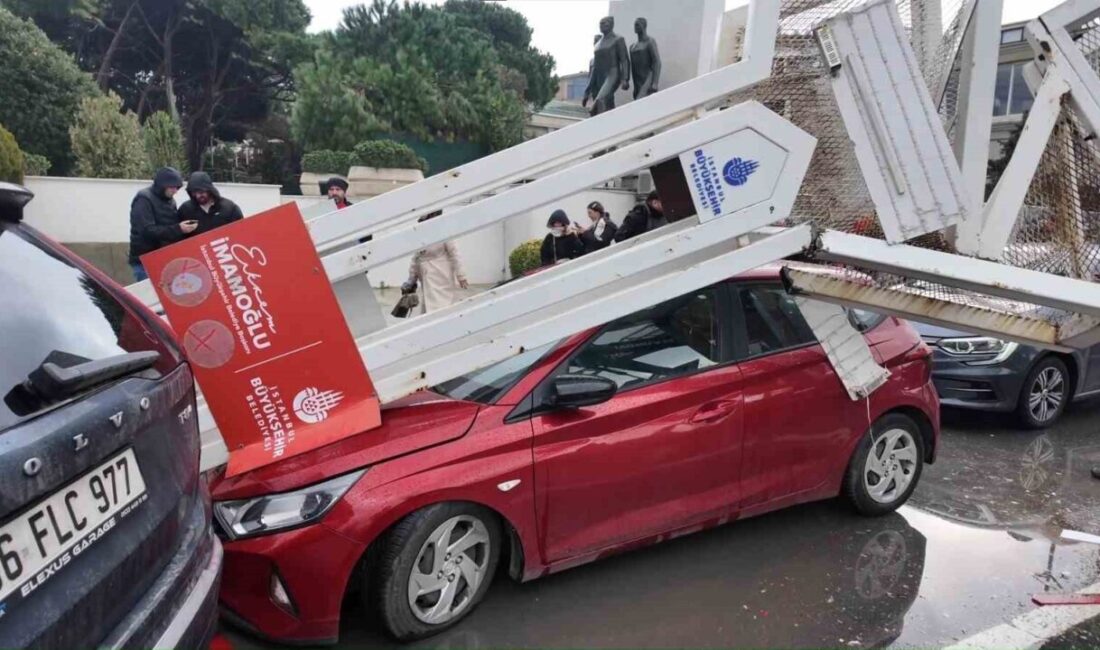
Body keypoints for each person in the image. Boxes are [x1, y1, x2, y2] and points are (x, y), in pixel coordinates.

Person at [403, 211, 469, 314]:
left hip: (441, 274)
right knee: (429, 305)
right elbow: (416, 258)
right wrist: (411, 279)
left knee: (441, 304)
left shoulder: (444, 231)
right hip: (426, 276)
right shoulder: (420, 233)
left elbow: (454, 253)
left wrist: (461, 275)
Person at [128, 167, 187, 282]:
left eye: (177, 188)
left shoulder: (171, 201)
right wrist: (178, 229)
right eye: (172, 187)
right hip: (145, 261)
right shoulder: (144, 198)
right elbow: (147, 230)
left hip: (164, 258)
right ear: (162, 185)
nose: (175, 191)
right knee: (148, 296)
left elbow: (170, 226)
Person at [177, 171, 243, 237]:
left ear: (209, 190)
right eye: (194, 193)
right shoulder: (185, 210)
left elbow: (241, 231)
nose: (198, 196)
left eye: (201, 192)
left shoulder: (229, 208)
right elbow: (178, 236)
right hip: (199, 246)